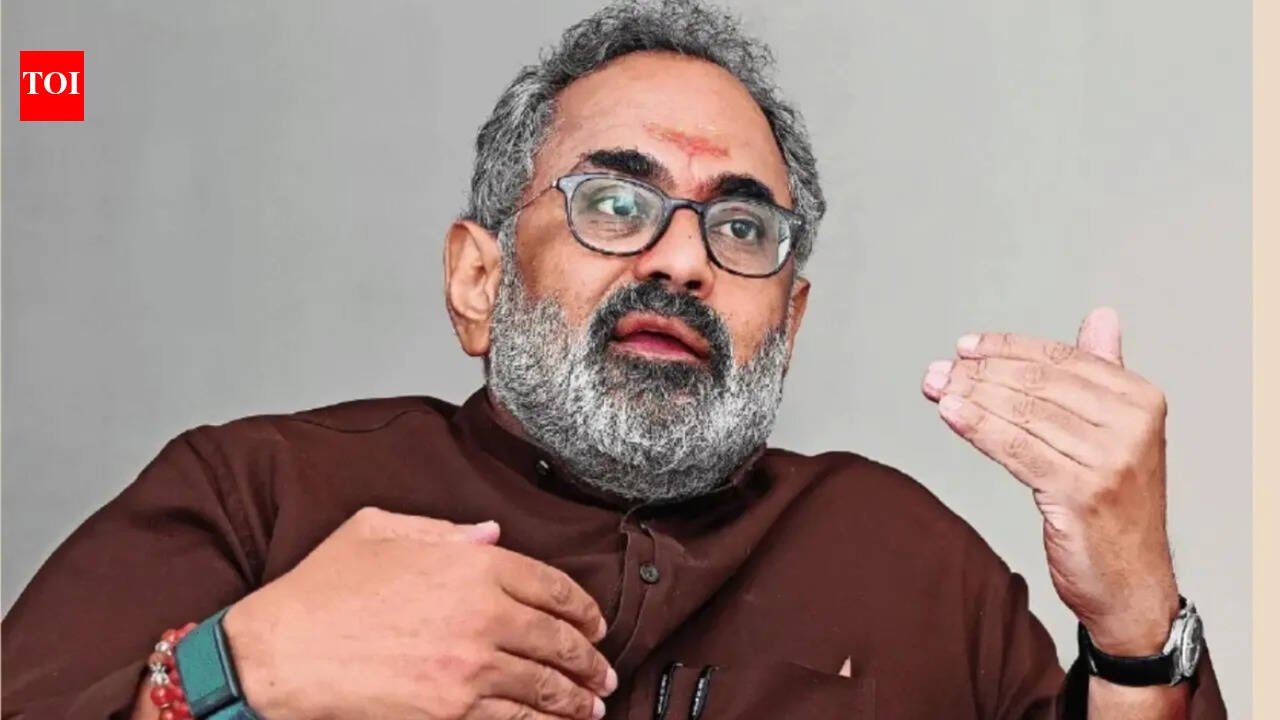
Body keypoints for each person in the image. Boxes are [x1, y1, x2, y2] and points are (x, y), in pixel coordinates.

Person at [1, 1, 1228, 718]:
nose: (682, 261)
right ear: (477, 280)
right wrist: (241, 672)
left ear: (789, 319)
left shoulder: (911, 565)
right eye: (613, 203)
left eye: (739, 227)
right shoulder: (259, 496)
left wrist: (1131, 619)